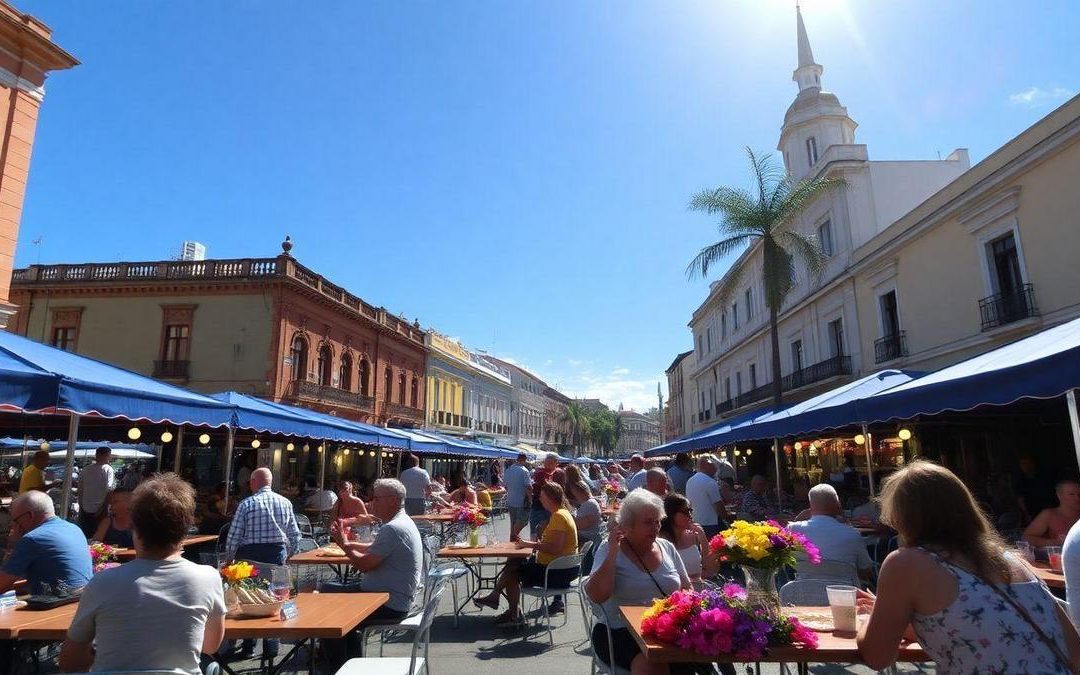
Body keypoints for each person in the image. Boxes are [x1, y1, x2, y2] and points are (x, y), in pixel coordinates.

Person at [856, 461, 1080, 672]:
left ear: (900, 517)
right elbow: (1073, 652)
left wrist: (867, 620)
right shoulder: (1013, 560)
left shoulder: (906, 563)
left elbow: (878, 657)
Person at [59, 473, 226, 674]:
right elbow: (210, 646)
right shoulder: (208, 578)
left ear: (134, 528)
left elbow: (70, 663)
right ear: (185, 530)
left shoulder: (102, 582)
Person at [586, 489, 692, 675]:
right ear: (628, 525)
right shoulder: (610, 547)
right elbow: (596, 595)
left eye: (657, 521)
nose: (655, 527)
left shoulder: (666, 547)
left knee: (696, 656)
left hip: (665, 629)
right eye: (648, 522)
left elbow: (687, 588)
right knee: (652, 665)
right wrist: (612, 554)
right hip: (618, 631)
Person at [325, 479, 423, 666]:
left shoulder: (393, 528)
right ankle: (350, 662)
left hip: (389, 603)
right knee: (327, 592)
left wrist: (344, 545)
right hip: (391, 595)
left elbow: (363, 565)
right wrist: (348, 542)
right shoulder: (402, 522)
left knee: (330, 614)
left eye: (376, 499)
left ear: (393, 501)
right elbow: (374, 547)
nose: (371, 503)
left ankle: (337, 667)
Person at [222, 467, 300, 661]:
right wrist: (289, 555)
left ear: (254, 482)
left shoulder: (246, 504)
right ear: (270, 482)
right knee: (277, 600)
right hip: (277, 556)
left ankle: (249, 646)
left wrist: (229, 559)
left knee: (249, 601)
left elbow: (234, 535)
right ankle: (271, 648)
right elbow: (294, 534)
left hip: (249, 557)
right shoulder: (285, 502)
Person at [474, 482, 578, 624]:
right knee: (514, 563)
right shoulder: (562, 513)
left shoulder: (559, 516)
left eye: (542, 496)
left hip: (555, 572)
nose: (540, 499)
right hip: (561, 569)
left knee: (514, 571)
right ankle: (503, 603)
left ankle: (510, 610)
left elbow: (555, 548)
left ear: (550, 497)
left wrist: (529, 544)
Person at [0, 490, 92, 596]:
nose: (13, 525)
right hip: (82, 600)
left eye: (15, 520)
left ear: (30, 515)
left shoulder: (32, 539)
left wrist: (12, 544)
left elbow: (2, 585)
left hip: (53, 605)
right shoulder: (75, 529)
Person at [788, 484, 873, 582]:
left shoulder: (793, 530)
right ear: (838, 504)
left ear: (810, 506)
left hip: (803, 593)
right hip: (843, 594)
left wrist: (797, 519)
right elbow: (865, 570)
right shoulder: (852, 534)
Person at [659, 493, 716, 583]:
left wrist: (703, 538)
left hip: (698, 587)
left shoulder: (694, 536)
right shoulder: (661, 541)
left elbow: (711, 570)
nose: (690, 515)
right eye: (685, 511)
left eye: (690, 510)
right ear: (671, 514)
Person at [1024, 480, 1080, 547]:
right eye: (1071, 494)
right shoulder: (1049, 515)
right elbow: (1026, 537)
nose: (1077, 498)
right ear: (1059, 495)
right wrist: (1052, 542)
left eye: (1079, 494)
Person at [77, 446, 115, 537]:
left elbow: (80, 490)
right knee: (100, 537)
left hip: (85, 508)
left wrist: (81, 506)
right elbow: (110, 490)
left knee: (86, 535)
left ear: (96, 455)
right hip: (101, 509)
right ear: (107, 455)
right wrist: (105, 507)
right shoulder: (108, 469)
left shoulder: (85, 469)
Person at [685, 455, 727, 538]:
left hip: (696, 521)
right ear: (706, 465)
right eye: (714, 466)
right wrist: (726, 517)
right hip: (711, 523)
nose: (716, 469)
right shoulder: (710, 482)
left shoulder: (690, 481)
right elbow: (718, 504)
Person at [568, 479, 601, 568]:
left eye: (575, 493)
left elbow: (578, 526)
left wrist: (570, 517)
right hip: (589, 533)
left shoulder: (588, 504)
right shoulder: (588, 502)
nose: (574, 495)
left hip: (588, 536)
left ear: (580, 492)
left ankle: (567, 563)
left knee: (565, 535)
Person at [1014, 453, 1056, 523]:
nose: (1023, 466)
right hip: (1033, 513)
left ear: (1032, 463)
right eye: (1021, 464)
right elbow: (1020, 499)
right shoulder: (1021, 481)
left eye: (1025, 463)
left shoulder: (1044, 477)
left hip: (1048, 509)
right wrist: (1026, 514)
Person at [529, 453, 559, 538]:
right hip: (540, 504)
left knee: (543, 527)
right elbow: (547, 486)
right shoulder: (541, 473)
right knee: (538, 528)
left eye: (552, 463)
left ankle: (537, 544)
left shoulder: (550, 472)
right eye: (548, 463)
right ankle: (535, 545)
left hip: (545, 504)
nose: (549, 465)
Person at [504, 453, 532, 541]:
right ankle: (515, 536)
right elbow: (529, 487)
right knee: (523, 521)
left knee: (513, 522)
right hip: (521, 501)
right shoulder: (524, 471)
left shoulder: (508, 470)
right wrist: (530, 500)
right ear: (524, 460)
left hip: (510, 500)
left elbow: (506, 486)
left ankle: (513, 539)